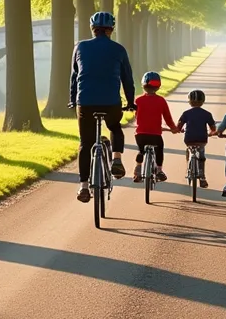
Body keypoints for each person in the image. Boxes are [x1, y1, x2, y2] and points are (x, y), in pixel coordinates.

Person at [69, 11, 135, 203]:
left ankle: (83, 187)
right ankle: (116, 159)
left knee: (85, 143)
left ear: (93, 29)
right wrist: (130, 102)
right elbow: (127, 79)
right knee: (115, 127)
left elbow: (74, 77)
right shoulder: (119, 49)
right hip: (111, 103)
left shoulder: (80, 46)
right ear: (111, 30)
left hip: (85, 103)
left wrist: (73, 100)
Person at [132, 71, 178, 182]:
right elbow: (167, 118)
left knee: (141, 150)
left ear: (143, 85)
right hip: (156, 134)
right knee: (159, 149)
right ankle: (159, 170)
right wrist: (173, 128)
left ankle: (138, 168)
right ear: (158, 86)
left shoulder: (138, 100)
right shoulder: (161, 101)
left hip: (140, 134)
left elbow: (136, 116)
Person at [176, 89, 216, 188]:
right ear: (203, 101)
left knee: (189, 149)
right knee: (201, 154)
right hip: (202, 138)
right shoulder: (207, 114)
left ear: (189, 101)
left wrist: (179, 130)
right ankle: (202, 176)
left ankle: (189, 164)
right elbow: (213, 128)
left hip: (189, 138)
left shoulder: (186, 113)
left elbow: (178, 127)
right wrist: (211, 133)